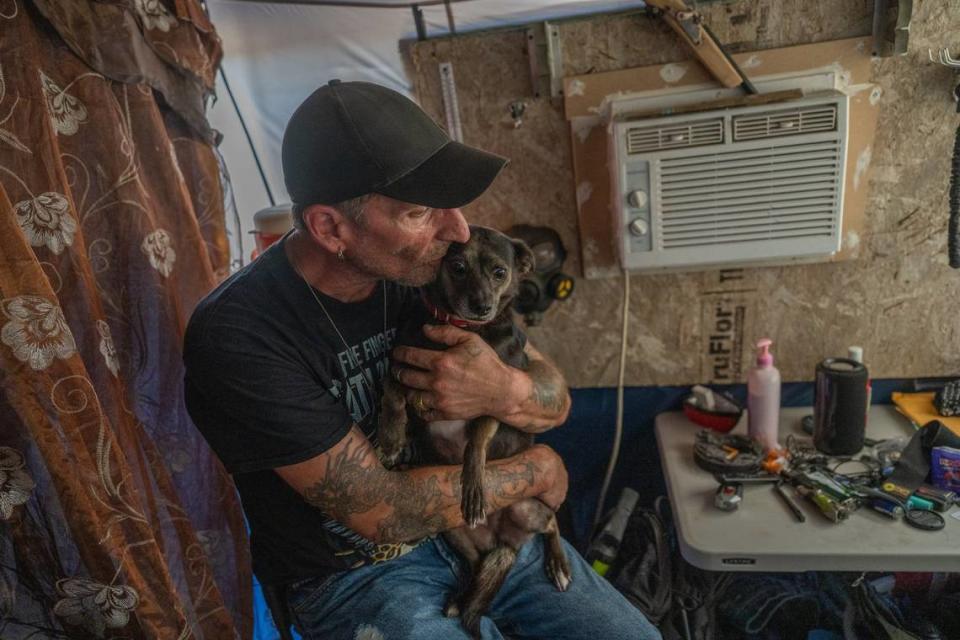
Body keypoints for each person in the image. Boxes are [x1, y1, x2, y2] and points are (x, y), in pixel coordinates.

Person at [183, 80, 661, 640]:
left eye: (452, 207)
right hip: (357, 575)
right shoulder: (242, 334)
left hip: (484, 526)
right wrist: (538, 469)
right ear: (330, 227)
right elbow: (381, 510)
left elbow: (551, 395)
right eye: (419, 212)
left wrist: (505, 391)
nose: (456, 231)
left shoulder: (427, 272)